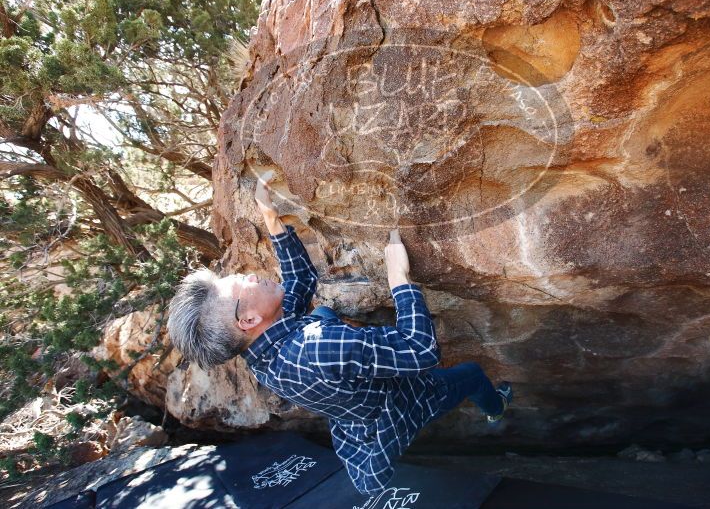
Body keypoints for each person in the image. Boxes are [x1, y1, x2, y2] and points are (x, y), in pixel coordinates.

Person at [167, 175, 513, 497]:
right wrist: (399, 280)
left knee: (320, 314)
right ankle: (496, 409)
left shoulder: (258, 349)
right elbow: (421, 351)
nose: (253, 276)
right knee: (470, 375)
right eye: (245, 283)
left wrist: (271, 219)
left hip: (348, 409)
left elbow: (300, 283)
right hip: (397, 404)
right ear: (248, 318)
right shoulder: (318, 346)